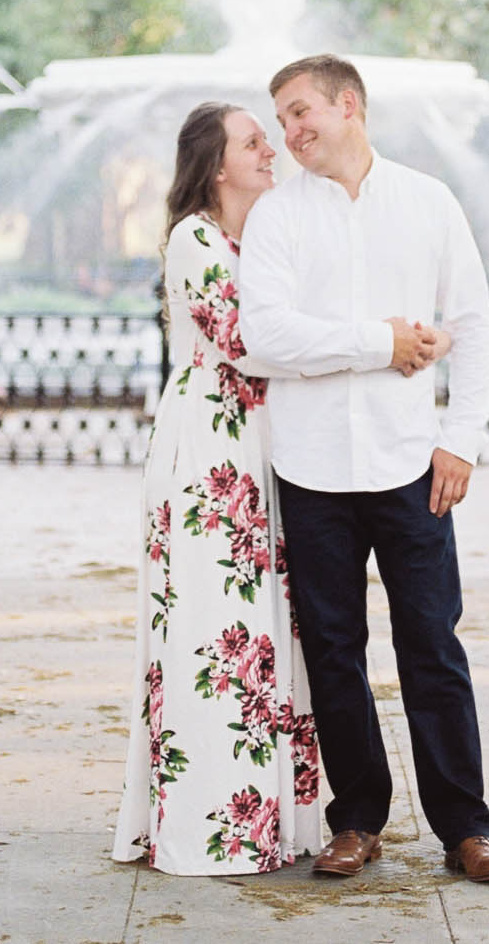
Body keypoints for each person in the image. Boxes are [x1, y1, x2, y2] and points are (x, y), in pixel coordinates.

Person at [238, 53, 489, 884]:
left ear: (349, 105)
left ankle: (466, 827)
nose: (289, 133)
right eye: (281, 120)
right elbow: (266, 339)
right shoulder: (277, 218)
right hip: (312, 469)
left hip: (409, 465)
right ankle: (357, 818)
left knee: (432, 643)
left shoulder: (428, 202)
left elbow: (471, 323)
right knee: (333, 649)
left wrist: (460, 437)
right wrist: (381, 342)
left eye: (300, 113)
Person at [110, 102, 324, 875]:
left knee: (265, 629)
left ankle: (269, 819)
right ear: (215, 165)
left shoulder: (250, 238)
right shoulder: (194, 239)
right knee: (212, 622)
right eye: (254, 141)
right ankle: (209, 823)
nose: (272, 149)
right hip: (208, 454)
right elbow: (250, 342)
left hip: (257, 449)